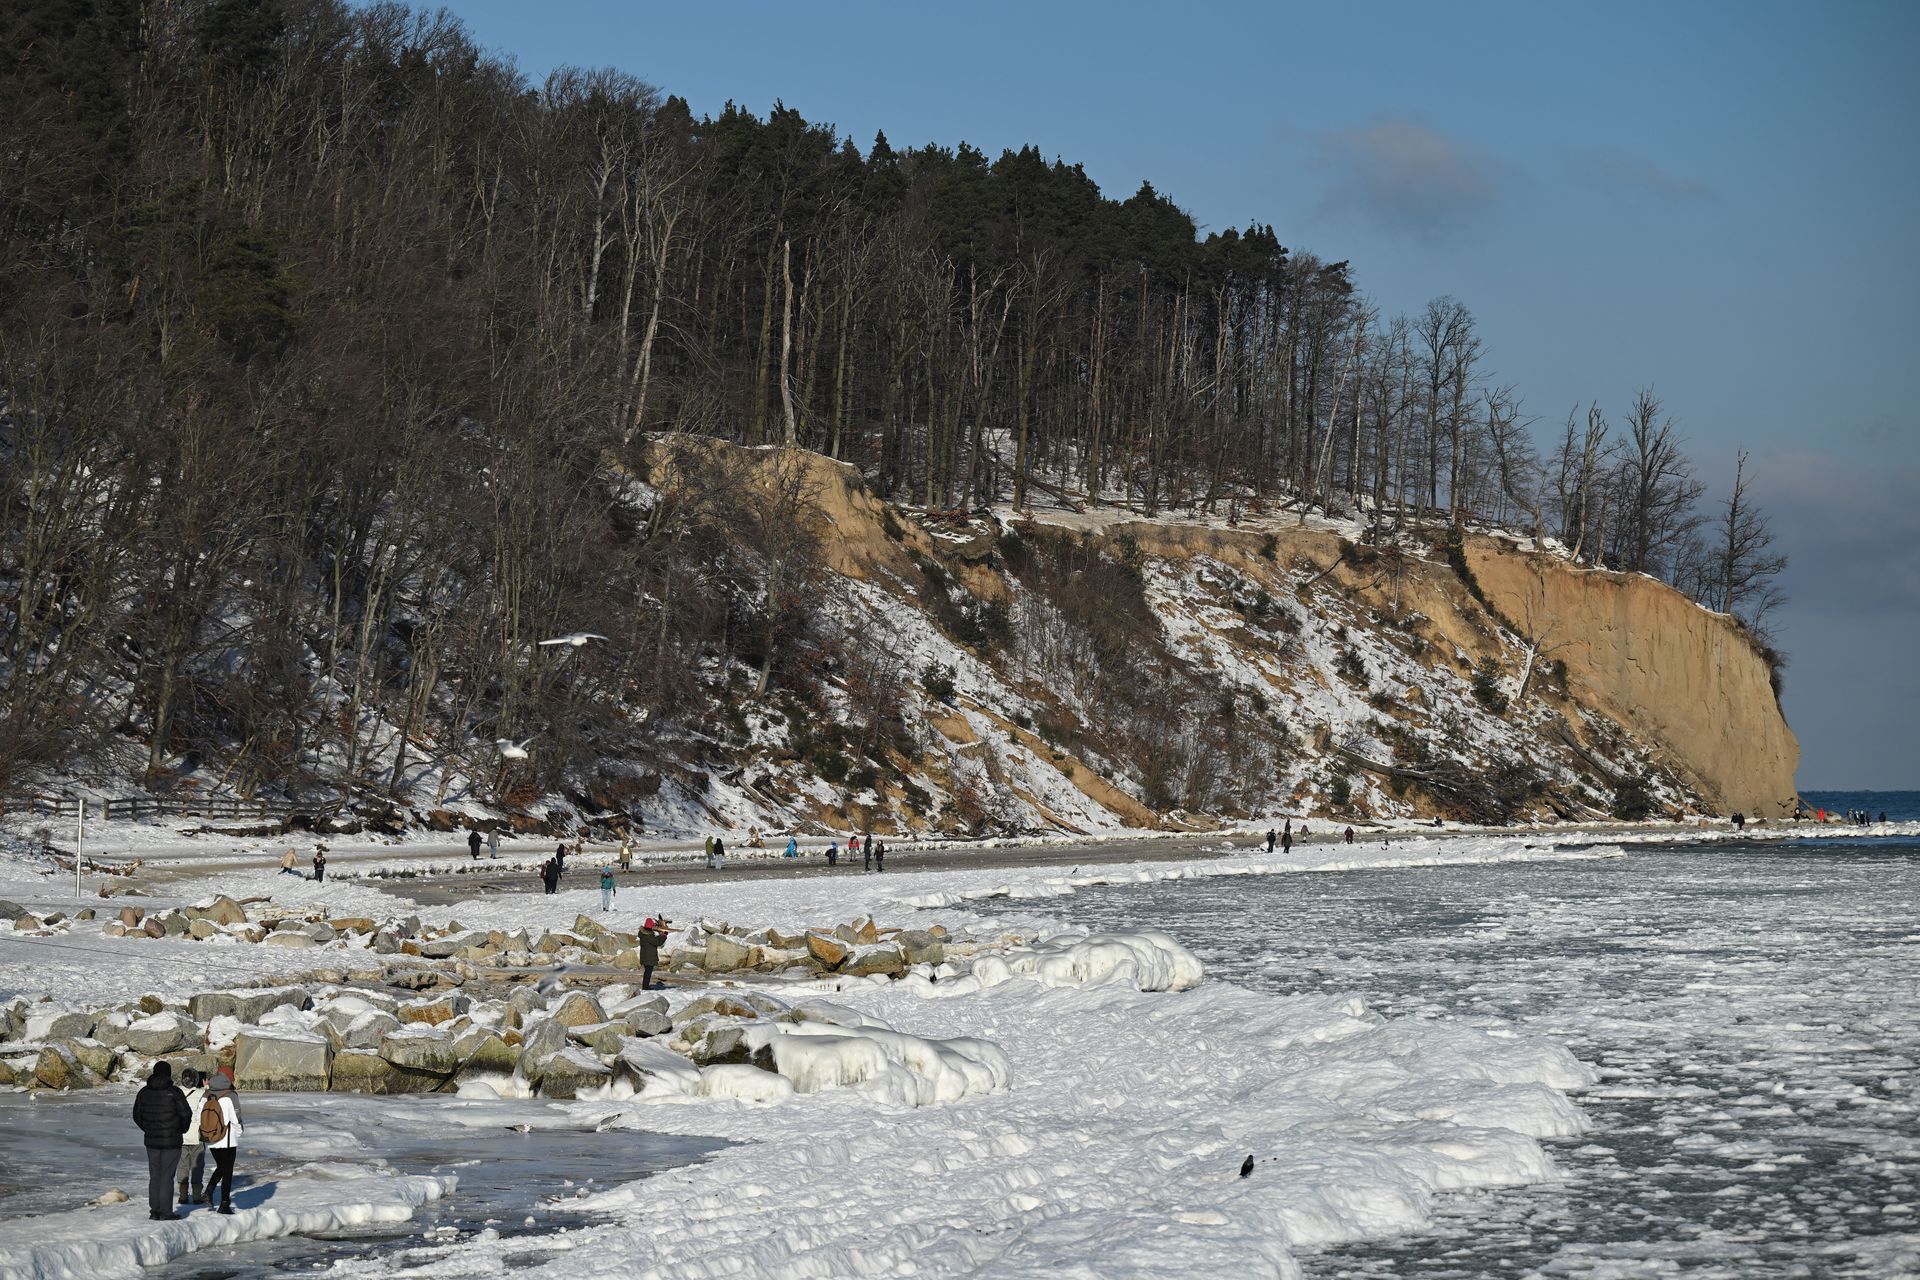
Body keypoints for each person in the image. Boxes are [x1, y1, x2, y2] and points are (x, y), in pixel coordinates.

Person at [133, 1060, 191, 1220]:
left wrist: (149, 1129)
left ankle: (155, 1211)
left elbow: (137, 1115)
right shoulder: (175, 1092)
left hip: (151, 1141)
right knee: (166, 1176)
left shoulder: (144, 1092)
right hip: (172, 1141)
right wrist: (180, 1129)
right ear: (169, 1073)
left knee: (155, 1176)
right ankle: (165, 1212)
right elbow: (186, 1114)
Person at [202, 1066, 243, 1214]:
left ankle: (209, 1191)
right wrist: (238, 1133)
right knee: (227, 1170)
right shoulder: (231, 1095)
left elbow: (199, 1116)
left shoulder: (206, 1093)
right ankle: (224, 1204)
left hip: (211, 1138)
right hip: (228, 1139)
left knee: (221, 1167)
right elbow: (236, 1119)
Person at [177, 1067, 208, 1206]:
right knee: (197, 1166)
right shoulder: (202, 1093)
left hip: (181, 1136)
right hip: (197, 1136)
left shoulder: (177, 1093)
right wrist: (206, 1086)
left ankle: (183, 1195)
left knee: (182, 1166)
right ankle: (196, 1196)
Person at [638, 915, 676, 990]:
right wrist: (664, 935)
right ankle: (645, 987)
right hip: (649, 957)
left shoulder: (643, 933)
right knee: (648, 972)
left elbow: (654, 940)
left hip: (645, 956)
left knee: (647, 972)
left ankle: (645, 986)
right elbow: (657, 942)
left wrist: (661, 935)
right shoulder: (648, 935)